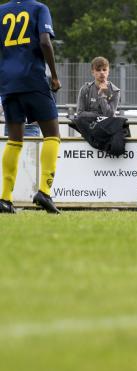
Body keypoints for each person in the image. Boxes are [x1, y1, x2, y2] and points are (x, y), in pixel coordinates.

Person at [0, 0, 62, 214]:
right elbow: (45, 42)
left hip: (7, 82)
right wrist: (54, 76)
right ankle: (44, 192)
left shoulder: (1, 11)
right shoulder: (39, 8)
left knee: (14, 139)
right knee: (52, 134)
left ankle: (5, 198)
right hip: (33, 79)